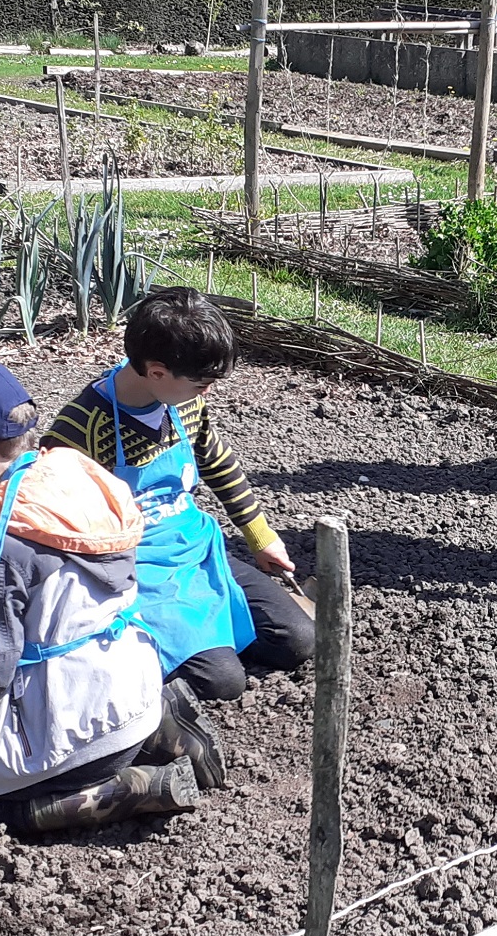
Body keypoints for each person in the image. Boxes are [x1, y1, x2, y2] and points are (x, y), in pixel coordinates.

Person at [0, 358, 219, 832]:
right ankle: (158, 723)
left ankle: (135, 788)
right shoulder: (74, 474)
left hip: (82, 715)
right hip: (136, 673)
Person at [45, 288, 314, 698]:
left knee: (297, 639)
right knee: (222, 682)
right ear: (156, 372)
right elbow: (50, 522)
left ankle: (205, 635)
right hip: (131, 573)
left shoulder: (184, 402)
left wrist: (261, 537)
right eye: (202, 382)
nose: (207, 391)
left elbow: (217, 462)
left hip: (193, 550)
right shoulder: (81, 427)